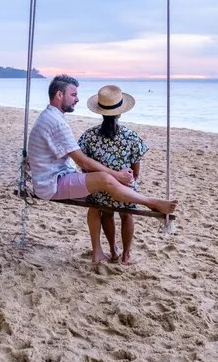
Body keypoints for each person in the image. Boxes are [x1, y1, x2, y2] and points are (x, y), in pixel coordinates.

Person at [28, 75, 177, 261]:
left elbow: (82, 162)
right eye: (73, 94)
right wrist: (120, 176)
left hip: (53, 177)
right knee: (106, 182)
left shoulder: (59, 120)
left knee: (97, 197)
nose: (77, 99)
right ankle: (149, 204)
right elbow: (83, 162)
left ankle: (102, 251)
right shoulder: (57, 123)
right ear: (59, 95)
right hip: (52, 183)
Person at [79, 85, 148, 264]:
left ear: (100, 112)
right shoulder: (131, 136)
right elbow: (135, 172)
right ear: (120, 112)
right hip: (123, 190)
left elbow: (84, 167)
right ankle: (126, 254)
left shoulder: (89, 135)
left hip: (100, 192)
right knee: (126, 214)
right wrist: (125, 181)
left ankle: (112, 250)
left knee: (107, 213)